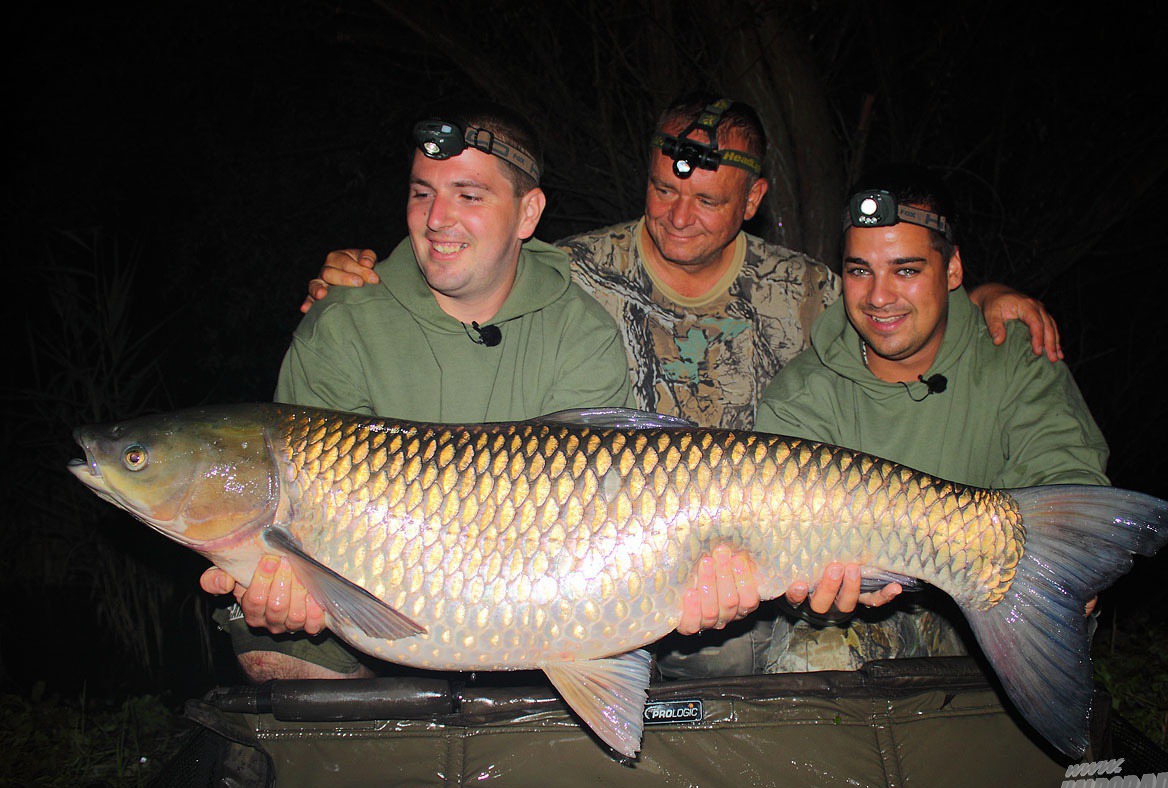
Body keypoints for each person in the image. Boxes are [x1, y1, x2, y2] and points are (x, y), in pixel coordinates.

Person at [304, 95, 1067, 678]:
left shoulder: (806, 293)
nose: (678, 216)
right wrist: (369, 280)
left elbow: (894, 302)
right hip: (590, 560)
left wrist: (985, 300)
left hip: (738, 568)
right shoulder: (575, 277)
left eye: (706, 200)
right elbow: (478, 267)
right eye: (663, 191)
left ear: (754, 200)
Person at [200, 101, 633, 681]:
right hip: (364, 597)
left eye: (469, 196)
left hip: (544, 587)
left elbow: (601, 519)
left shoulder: (582, 332)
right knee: (272, 651)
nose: (437, 219)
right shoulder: (343, 322)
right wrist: (284, 592)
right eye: (422, 193)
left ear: (528, 213)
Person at [755, 163, 1110, 672]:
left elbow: (1067, 472)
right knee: (811, 651)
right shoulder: (800, 394)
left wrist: (1069, 562)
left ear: (953, 271)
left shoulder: (1013, 353)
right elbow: (787, 564)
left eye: (906, 270)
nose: (879, 296)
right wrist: (815, 596)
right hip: (874, 622)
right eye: (860, 270)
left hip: (1000, 600)